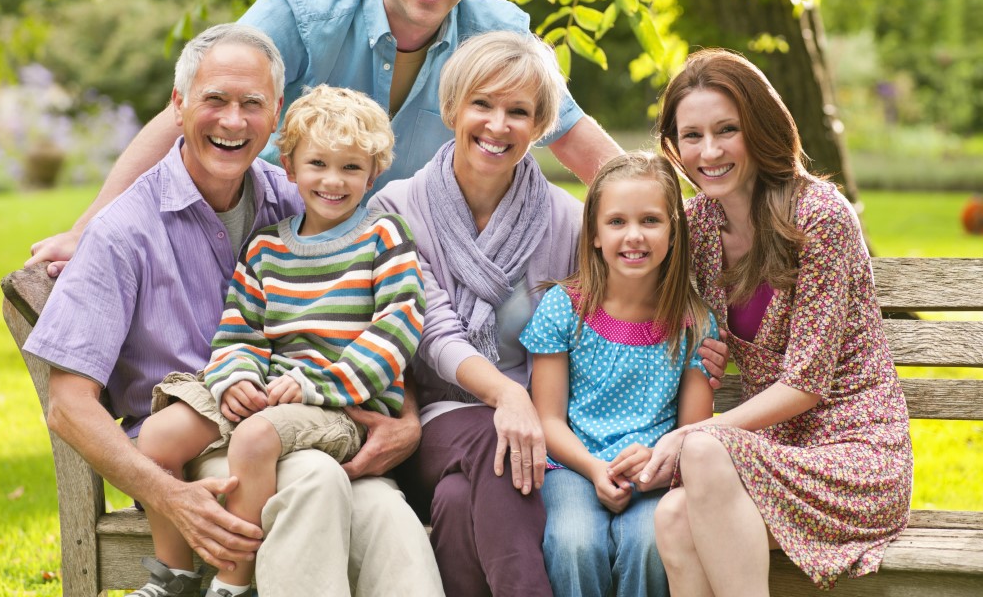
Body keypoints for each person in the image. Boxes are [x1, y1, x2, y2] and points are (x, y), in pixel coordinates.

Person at [26, 0, 621, 276]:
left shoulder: (498, 34)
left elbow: (577, 139)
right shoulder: (305, 10)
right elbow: (185, 113)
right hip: (274, 238)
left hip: (411, 256)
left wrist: (685, 224)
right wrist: (87, 229)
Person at [24, 24, 444, 597]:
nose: (232, 120)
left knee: (390, 521)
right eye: (214, 99)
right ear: (178, 105)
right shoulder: (124, 231)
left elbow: (386, 317)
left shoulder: (302, 199)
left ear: (275, 118)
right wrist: (168, 496)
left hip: (308, 418)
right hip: (194, 454)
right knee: (314, 485)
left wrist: (407, 419)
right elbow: (68, 408)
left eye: (251, 104)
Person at [131, 85, 425, 597]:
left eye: (351, 168)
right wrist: (236, 379)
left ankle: (234, 580)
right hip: (270, 394)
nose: (333, 181)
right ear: (289, 167)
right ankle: (172, 577)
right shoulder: (267, 248)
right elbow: (240, 329)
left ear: (373, 173)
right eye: (318, 164)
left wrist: (316, 385)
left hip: (340, 405)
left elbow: (397, 330)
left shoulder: (384, 237)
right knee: (155, 437)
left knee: (255, 438)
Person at [648, 48, 913, 595]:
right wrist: (702, 342)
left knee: (700, 449)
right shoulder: (697, 225)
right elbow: (654, 309)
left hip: (853, 458)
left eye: (727, 130)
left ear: (761, 127)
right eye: (692, 136)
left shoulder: (819, 216)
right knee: (672, 518)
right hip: (769, 454)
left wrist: (687, 435)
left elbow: (806, 384)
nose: (710, 151)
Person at [370, 31, 583, 597]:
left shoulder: (569, 222)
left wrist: (697, 342)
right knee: (496, 438)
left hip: (536, 434)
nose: (497, 125)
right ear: (453, 109)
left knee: (459, 500)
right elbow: (432, 330)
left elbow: (610, 319)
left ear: (539, 126)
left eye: (519, 111)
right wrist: (509, 398)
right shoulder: (395, 208)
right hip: (437, 420)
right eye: (482, 104)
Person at [520, 151, 718, 597]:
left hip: (657, 469)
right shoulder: (564, 308)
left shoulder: (693, 322)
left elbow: (693, 432)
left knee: (650, 544)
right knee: (573, 544)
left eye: (650, 221)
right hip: (572, 465)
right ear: (593, 233)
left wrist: (655, 466)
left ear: (673, 232)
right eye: (616, 222)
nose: (634, 236)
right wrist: (592, 468)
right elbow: (548, 419)